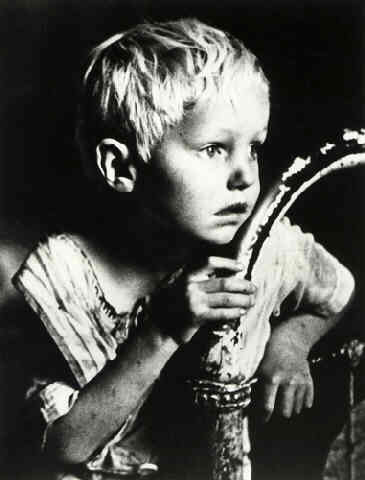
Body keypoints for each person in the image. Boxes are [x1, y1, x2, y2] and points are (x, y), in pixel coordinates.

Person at [10, 18, 354, 479]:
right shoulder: (63, 276)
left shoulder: (262, 246)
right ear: (121, 167)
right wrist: (163, 332)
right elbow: (63, 446)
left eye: (254, 148)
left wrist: (288, 344)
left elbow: (338, 291)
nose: (245, 176)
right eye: (213, 149)